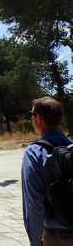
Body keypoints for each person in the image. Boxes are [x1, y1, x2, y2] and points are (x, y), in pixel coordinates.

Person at [22, 97, 73, 245]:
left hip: (57, 237)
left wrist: (36, 241)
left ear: (38, 118)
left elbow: (34, 204)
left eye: (32, 115)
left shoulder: (34, 153)